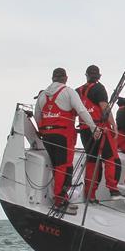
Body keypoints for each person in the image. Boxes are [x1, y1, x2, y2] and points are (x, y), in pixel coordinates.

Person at [34, 67, 99, 214]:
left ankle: (59, 196)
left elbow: (38, 116)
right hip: (63, 135)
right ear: (65, 78)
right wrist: (93, 128)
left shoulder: (42, 95)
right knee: (64, 167)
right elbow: (81, 110)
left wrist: (43, 130)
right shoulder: (69, 92)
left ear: (52, 78)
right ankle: (59, 200)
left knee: (56, 165)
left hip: (47, 134)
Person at [77, 65, 121, 202]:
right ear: (99, 76)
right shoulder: (99, 88)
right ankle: (113, 190)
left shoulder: (78, 91)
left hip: (85, 129)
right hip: (100, 127)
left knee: (91, 160)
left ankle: (90, 194)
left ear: (86, 75)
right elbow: (104, 108)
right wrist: (113, 124)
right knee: (110, 158)